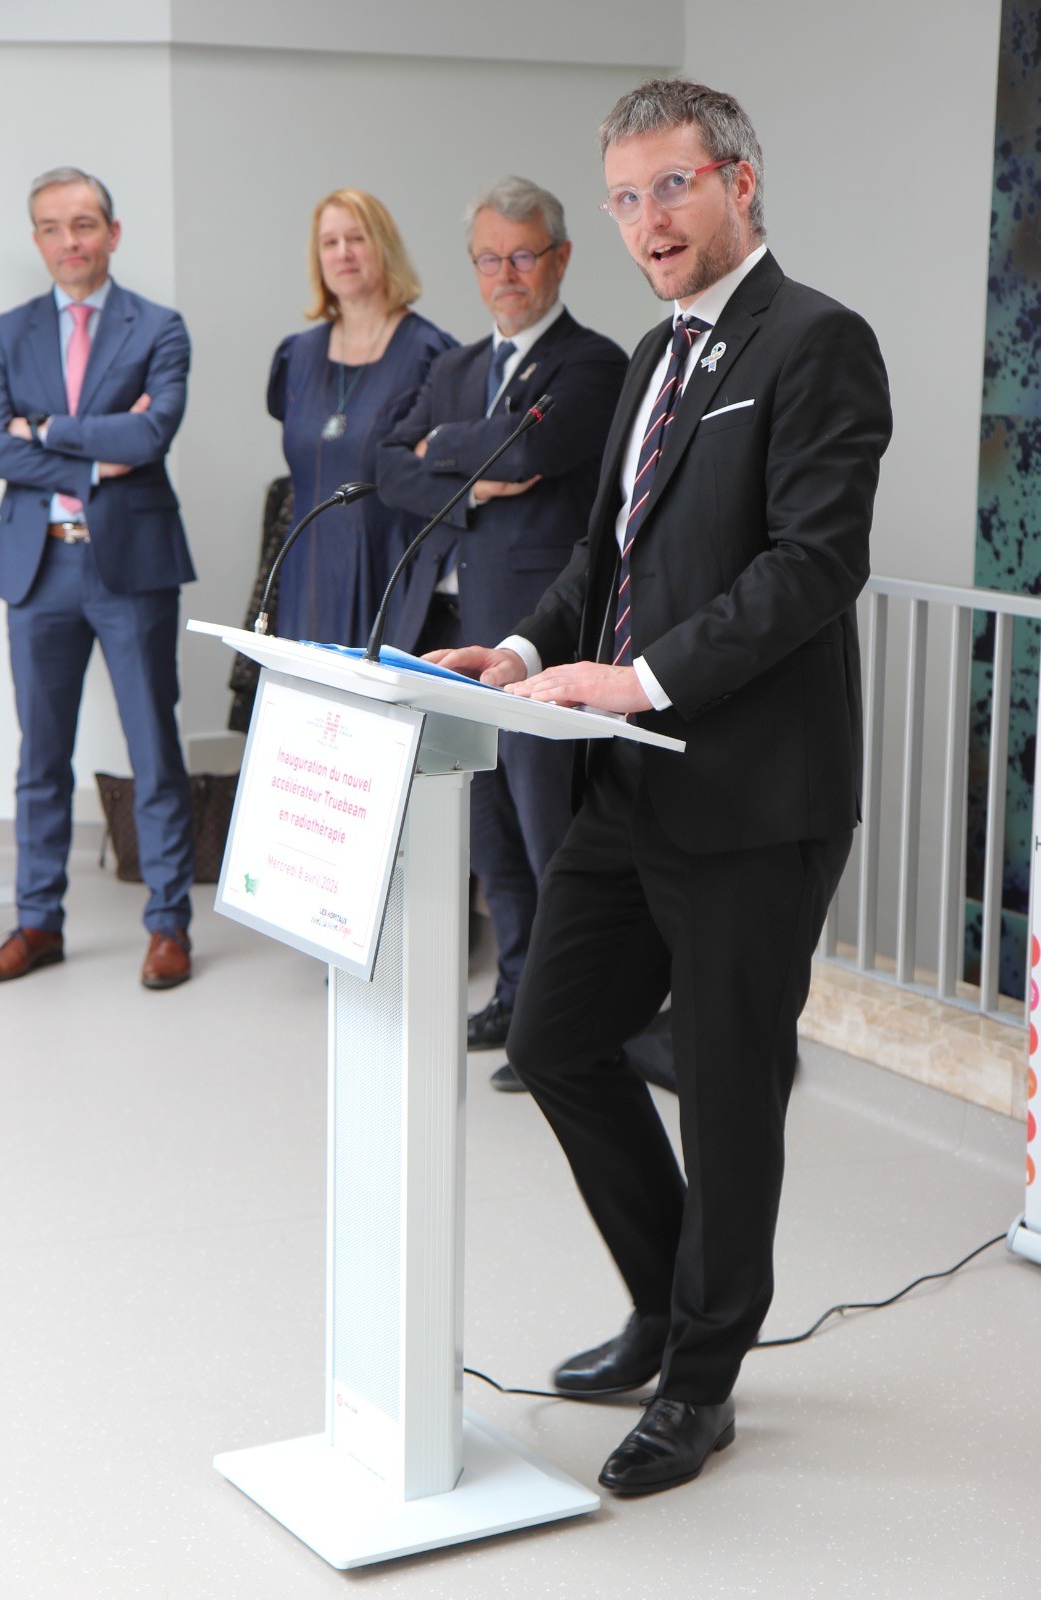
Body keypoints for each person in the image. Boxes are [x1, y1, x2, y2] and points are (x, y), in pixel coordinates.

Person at [430, 79, 892, 1495]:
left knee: (727, 1091)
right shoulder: (651, 353)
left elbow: (812, 565)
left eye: (671, 186)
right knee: (557, 1035)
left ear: (738, 182)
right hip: (627, 788)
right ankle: (665, 1298)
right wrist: (521, 650)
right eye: (625, 198)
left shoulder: (815, 340)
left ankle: (701, 1380)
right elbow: (608, 556)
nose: (648, 221)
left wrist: (634, 681)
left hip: (754, 799)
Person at [377, 177, 627, 1083]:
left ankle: (570, 1018)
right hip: (449, 633)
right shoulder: (451, 369)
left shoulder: (592, 364)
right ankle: (518, 995)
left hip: (530, 635)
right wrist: (476, 474)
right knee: (489, 833)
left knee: (545, 831)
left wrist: (441, 450)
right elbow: (384, 465)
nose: (507, 274)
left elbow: (533, 449)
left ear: (560, 259)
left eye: (524, 255)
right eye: (490, 257)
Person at [0, 166, 197, 990]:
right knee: (40, 756)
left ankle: (168, 924)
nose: (69, 241)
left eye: (83, 224)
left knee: (153, 749)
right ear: (37, 240)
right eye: (52, 227)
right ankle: (38, 923)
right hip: (37, 568)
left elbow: (152, 436)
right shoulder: (7, 333)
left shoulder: (158, 327)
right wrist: (96, 452)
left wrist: (40, 430)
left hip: (131, 567)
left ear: (112, 232)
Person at [267, 188, 455, 646]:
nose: (343, 253)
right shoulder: (296, 355)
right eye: (329, 242)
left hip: (389, 574)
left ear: (384, 247)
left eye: (356, 238)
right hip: (307, 574)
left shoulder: (430, 354)